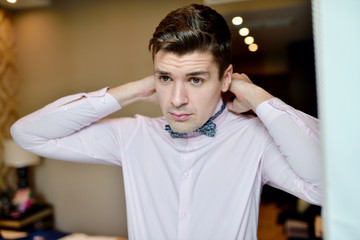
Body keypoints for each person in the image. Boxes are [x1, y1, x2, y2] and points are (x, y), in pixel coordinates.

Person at [10, 4, 322, 240]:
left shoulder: (254, 139)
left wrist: (254, 95)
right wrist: (135, 90)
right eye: (165, 77)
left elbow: (326, 185)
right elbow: (28, 134)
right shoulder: (133, 135)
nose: (175, 99)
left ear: (225, 78)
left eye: (196, 80)